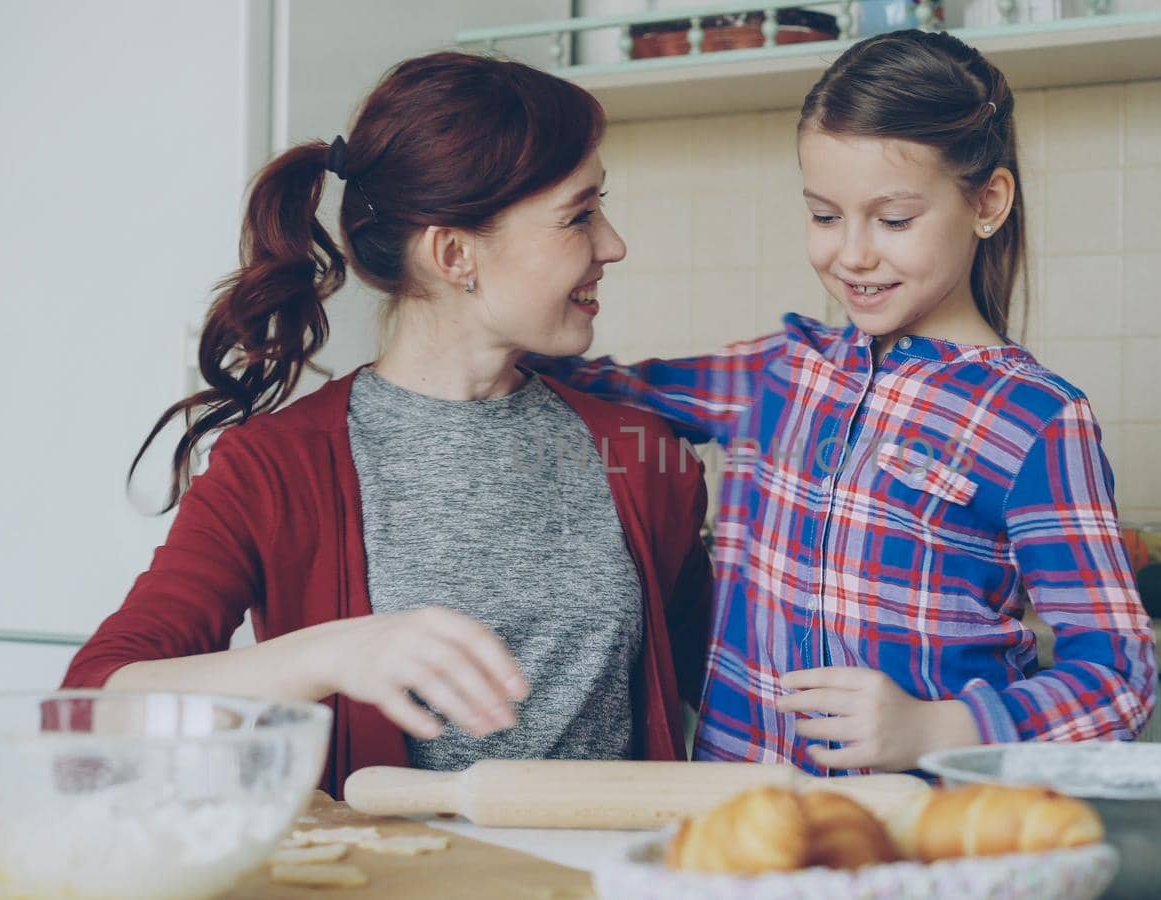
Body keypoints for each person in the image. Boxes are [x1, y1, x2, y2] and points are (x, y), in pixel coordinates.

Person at [62, 52, 712, 796]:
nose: (612, 244)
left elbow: (722, 684)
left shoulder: (639, 454)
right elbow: (90, 713)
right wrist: (333, 654)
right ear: (454, 254)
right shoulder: (276, 466)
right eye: (579, 215)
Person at [530, 30, 1155, 775]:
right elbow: (595, 388)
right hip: (743, 831)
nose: (852, 253)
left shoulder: (1036, 419)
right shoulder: (780, 371)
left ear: (987, 202)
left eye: (893, 220)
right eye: (826, 216)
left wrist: (935, 727)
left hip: (919, 842)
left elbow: (1117, 678)